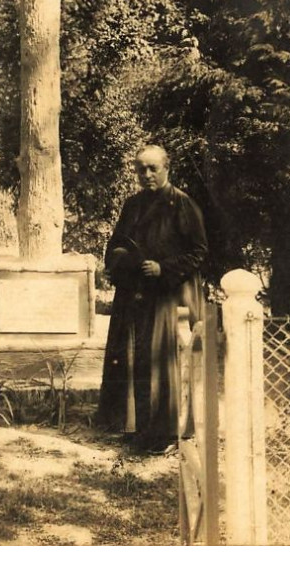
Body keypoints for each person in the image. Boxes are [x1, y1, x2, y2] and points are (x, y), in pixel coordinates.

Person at [97, 143, 207, 454]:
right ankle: (134, 429)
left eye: (152, 168)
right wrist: (121, 261)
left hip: (164, 295)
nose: (146, 175)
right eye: (140, 169)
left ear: (166, 168)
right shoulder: (132, 205)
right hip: (133, 292)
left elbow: (198, 252)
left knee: (158, 362)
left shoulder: (182, 205)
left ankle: (162, 435)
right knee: (131, 359)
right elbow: (116, 244)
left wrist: (163, 267)